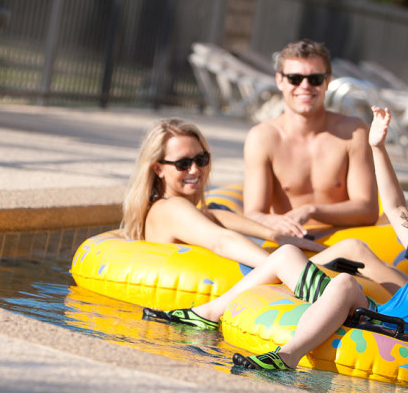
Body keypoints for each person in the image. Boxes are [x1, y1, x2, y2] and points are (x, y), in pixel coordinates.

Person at [144, 107, 408, 361]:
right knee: (286, 257)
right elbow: (395, 207)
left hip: (399, 335)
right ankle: (207, 314)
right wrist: (378, 146)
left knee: (345, 282)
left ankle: (288, 355)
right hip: (373, 317)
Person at [120, 118, 387, 289]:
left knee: (349, 251)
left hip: (256, 278)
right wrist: (281, 265)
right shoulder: (171, 208)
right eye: (182, 163)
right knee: (353, 249)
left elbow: (218, 218)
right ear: (157, 169)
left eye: (201, 160)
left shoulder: (191, 211)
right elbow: (220, 241)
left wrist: (281, 235)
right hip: (261, 284)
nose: (194, 170)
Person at [243, 39, 379, 238]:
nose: (305, 86)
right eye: (295, 78)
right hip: (290, 246)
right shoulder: (263, 138)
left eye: (315, 79)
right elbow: (253, 214)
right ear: (280, 81)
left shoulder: (354, 132)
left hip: (344, 245)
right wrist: (276, 223)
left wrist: (311, 210)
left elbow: (368, 210)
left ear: (327, 81)